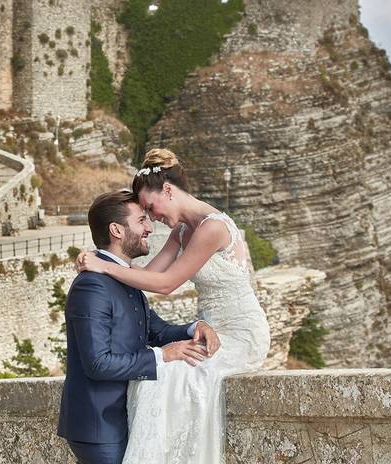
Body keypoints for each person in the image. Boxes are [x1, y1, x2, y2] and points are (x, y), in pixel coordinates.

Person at [76, 148, 270, 463]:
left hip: (240, 333)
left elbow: (166, 285)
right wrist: (100, 258)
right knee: (160, 373)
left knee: (173, 376)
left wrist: (104, 267)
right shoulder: (182, 231)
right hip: (208, 330)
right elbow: (149, 275)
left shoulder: (212, 228)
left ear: (168, 190)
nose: (152, 218)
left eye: (150, 208)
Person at [57, 190, 220, 464]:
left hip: (122, 415)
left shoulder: (122, 277)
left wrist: (196, 327)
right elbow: (98, 364)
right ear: (117, 230)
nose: (148, 227)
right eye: (141, 220)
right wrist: (163, 355)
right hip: (99, 424)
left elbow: (156, 331)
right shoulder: (92, 286)